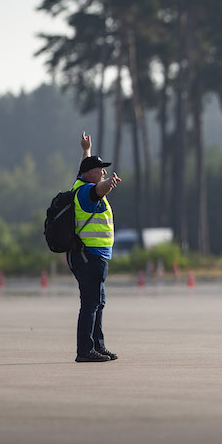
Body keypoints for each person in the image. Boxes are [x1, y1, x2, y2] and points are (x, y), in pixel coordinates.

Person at [68, 132, 122, 363]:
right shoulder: (86, 191)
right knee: (90, 304)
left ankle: (97, 346)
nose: (104, 171)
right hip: (90, 256)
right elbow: (97, 190)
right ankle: (85, 350)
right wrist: (107, 185)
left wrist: (86, 149)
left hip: (93, 256)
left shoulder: (79, 183)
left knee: (97, 303)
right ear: (90, 174)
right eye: (100, 169)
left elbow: (85, 167)